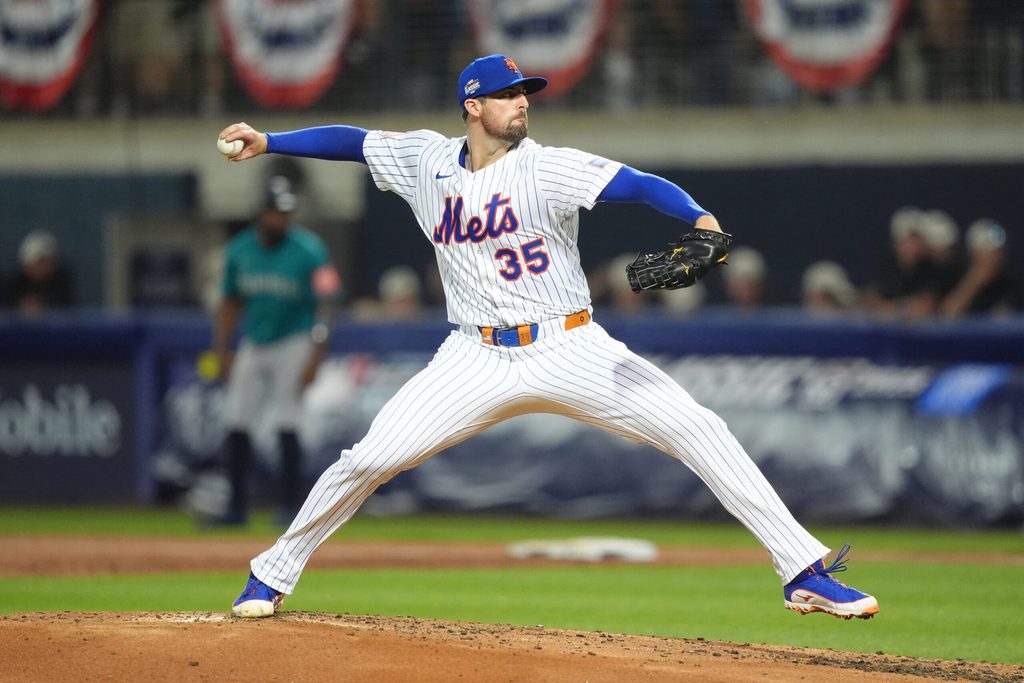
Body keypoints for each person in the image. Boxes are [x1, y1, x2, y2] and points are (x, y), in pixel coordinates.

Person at [219, 54, 878, 620]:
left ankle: (801, 570)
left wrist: (700, 217)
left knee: (699, 427)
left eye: (525, 93)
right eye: (508, 95)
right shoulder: (423, 159)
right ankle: (272, 572)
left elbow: (639, 184)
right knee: (367, 459)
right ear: (472, 106)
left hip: (571, 347)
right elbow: (351, 139)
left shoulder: (546, 167)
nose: (521, 103)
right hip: (473, 355)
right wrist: (270, 140)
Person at [207, 179, 342, 526]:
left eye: (284, 213)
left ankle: (290, 508)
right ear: (260, 214)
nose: (279, 219)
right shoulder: (239, 250)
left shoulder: (310, 249)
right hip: (255, 341)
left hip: (294, 342)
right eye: (273, 212)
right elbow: (229, 303)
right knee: (236, 419)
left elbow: (327, 303)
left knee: (288, 421)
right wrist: (222, 350)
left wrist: (316, 355)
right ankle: (235, 508)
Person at [940, 219, 1021, 316]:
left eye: (998, 251)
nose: (994, 258)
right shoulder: (952, 276)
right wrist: (974, 281)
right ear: (974, 253)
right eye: (988, 252)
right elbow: (947, 313)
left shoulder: (1010, 285)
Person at [2, 230, 75, 314]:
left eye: (49, 261)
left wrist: (44, 307)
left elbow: (67, 310)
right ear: (27, 263)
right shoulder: (11, 284)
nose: (45, 267)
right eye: (40, 262)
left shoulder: (60, 281)